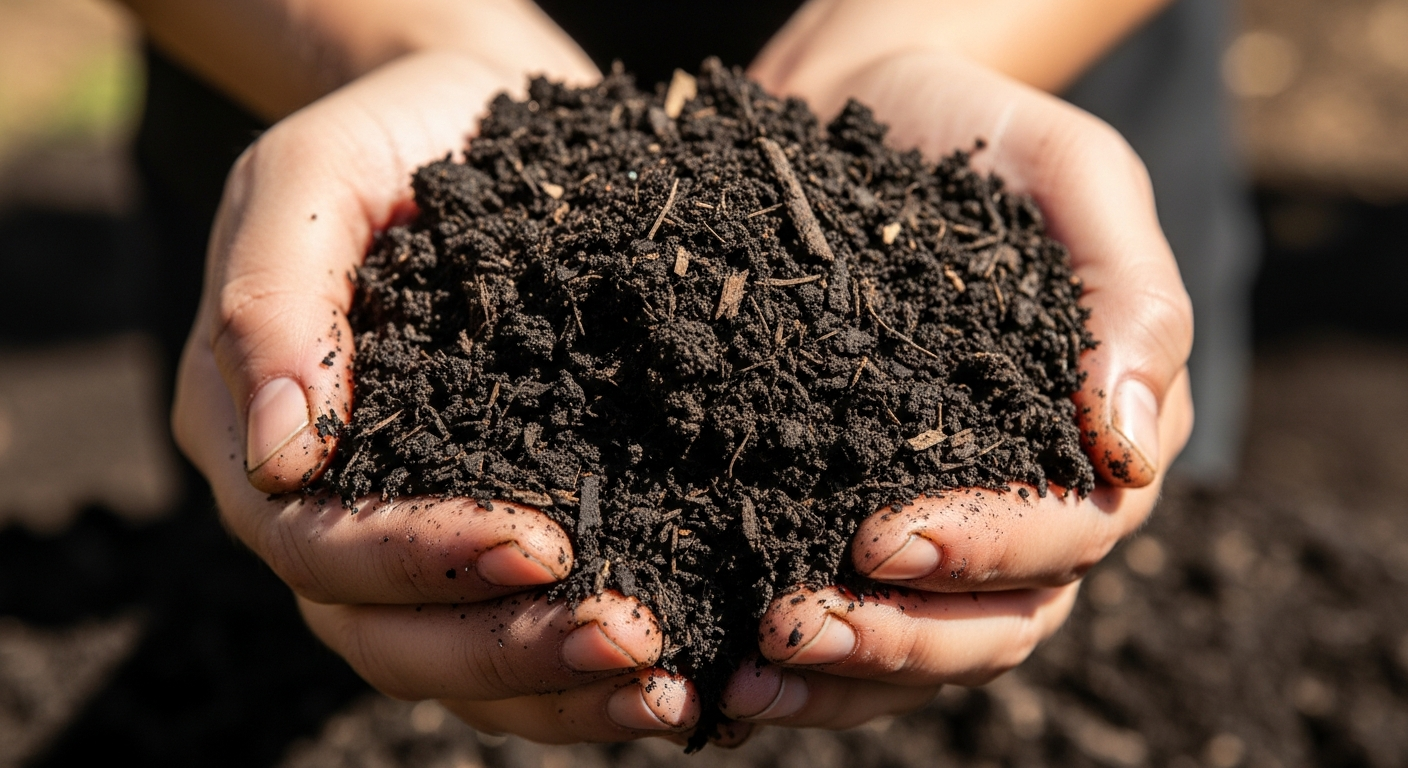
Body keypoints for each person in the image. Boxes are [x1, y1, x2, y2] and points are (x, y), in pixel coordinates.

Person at [118, 0, 1195, 745]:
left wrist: (912, 38)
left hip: (1024, 44)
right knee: (297, 633)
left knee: (1116, 624)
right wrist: (397, 34)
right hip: (293, 66)